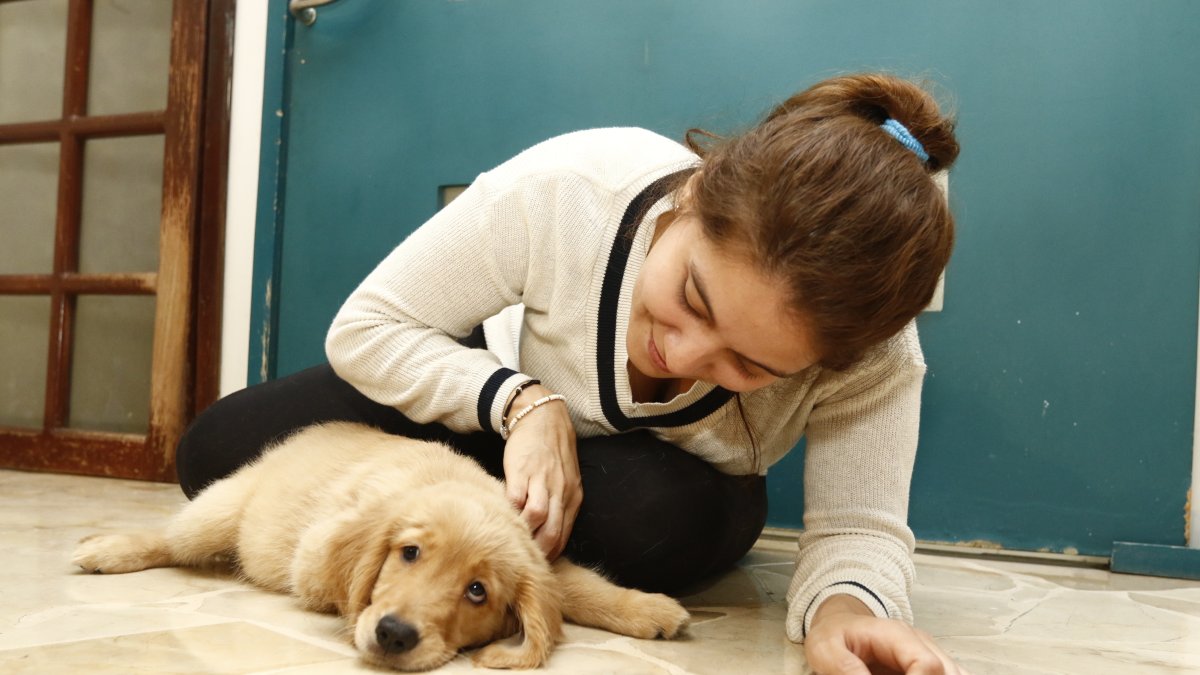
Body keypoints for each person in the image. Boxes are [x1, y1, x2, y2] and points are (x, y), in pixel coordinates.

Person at [177, 73, 965, 674]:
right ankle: (472, 512)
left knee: (652, 521)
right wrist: (520, 400)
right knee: (221, 447)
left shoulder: (876, 355)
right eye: (691, 295)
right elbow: (371, 325)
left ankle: (494, 537)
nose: (686, 358)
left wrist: (842, 609)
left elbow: (859, 526)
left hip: (659, 484)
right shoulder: (573, 187)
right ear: (694, 193)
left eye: (751, 364)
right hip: (491, 421)